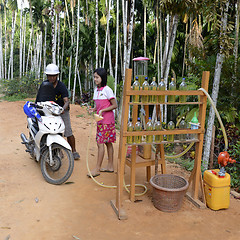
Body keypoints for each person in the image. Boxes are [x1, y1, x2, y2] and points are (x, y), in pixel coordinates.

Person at [36, 63, 80, 160]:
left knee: (68, 131)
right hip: (48, 111)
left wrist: (63, 109)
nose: (51, 78)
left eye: (54, 76)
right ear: (47, 76)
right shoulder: (44, 85)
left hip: (61, 110)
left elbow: (66, 100)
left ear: (57, 76)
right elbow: (39, 99)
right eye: (50, 76)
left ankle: (74, 150)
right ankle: (53, 150)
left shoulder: (61, 86)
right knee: (47, 129)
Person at [88, 68, 117, 177]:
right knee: (107, 142)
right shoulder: (97, 90)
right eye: (94, 77)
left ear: (102, 78)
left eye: (97, 77)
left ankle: (97, 169)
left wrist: (103, 111)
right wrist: (94, 109)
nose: (95, 79)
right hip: (100, 120)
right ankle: (110, 166)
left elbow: (114, 105)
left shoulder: (107, 90)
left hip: (107, 121)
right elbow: (99, 105)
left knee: (100, 143)